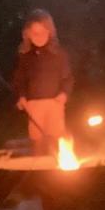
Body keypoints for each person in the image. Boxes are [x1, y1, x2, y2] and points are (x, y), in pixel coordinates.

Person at [11, 9, 73, 155]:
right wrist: (21, 96)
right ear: (27, 34)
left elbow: (68, 78)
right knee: (37, 140)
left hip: (55, 103)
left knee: (56, 140)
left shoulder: (58, 54)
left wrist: (64, 94)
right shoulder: (25, 56)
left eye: (43, 32)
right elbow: (19, 80)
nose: (38, 37)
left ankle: (57, 172)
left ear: (50, 32)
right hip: (34, 105)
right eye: (34, 33)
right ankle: (38, 171)